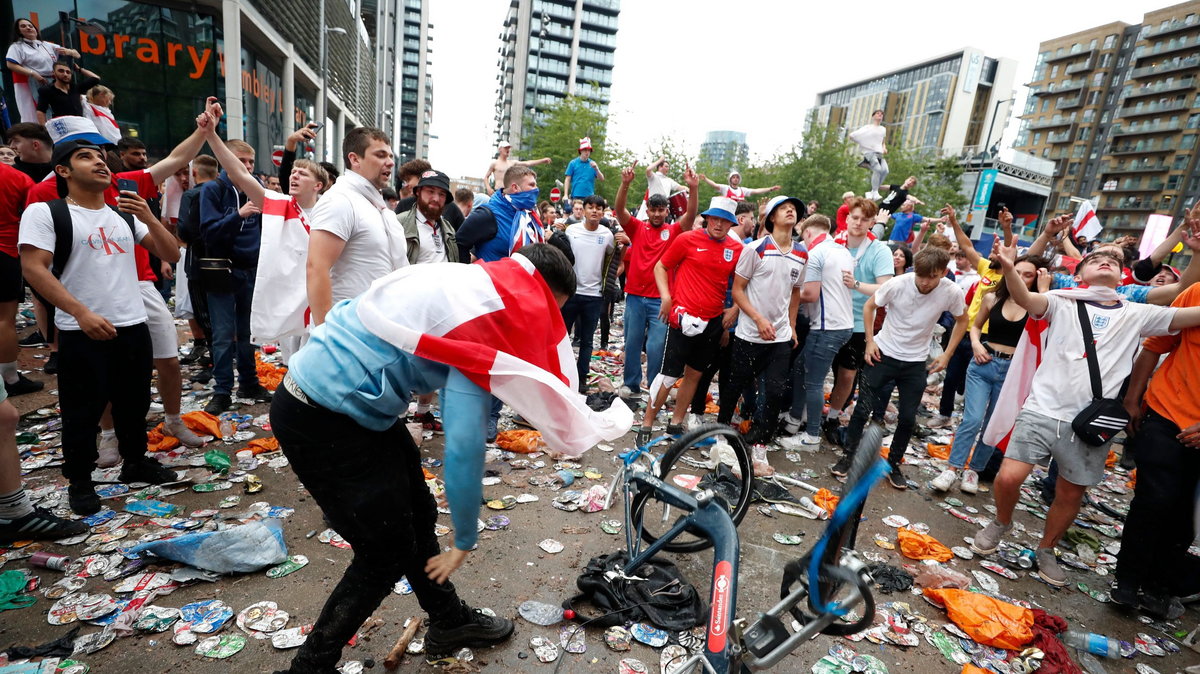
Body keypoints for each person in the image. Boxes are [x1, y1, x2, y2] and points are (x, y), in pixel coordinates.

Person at [270, 242, 630, 670]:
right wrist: (463, 538)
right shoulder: (483, 320)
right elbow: (462, 447)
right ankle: (311, 665)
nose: (539, 326)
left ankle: (448, 619)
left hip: (361, 408)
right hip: (321, 415)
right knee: (383, 552)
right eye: (546, 313)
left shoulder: (474, 283)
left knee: (418, 512)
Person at [971, 240, 1200, 587]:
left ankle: (1046, 549)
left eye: (1114, 260)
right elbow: (1026, 299)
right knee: (1007, 478)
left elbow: (1188, 302)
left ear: (1123, 275)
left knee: (1069, 494)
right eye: (1097, 258)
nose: (1106, 261)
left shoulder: (1137, 312)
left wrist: (1196, 253)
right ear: (1079, 273)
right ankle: (1002, 521)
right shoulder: (1060, 303)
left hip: (1091, 422)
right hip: (1041, 409)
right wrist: (1006, 265)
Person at [19, 139, 182, 515]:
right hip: (81, 330)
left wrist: (150, 215)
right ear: (62, 170)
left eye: (101, 157)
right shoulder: (47, 212)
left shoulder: (125, 216)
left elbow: (171, 253)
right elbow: (33, 268)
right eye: (85, 157)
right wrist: (81, 313)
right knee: (81, 410)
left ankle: (135, 462)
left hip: (132, 324)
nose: (99, 162)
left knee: (134, 402)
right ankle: (80, 479)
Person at [835, 247, 967, 488]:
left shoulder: (952, 291)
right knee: (862, 409)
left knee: (907, 418)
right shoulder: (898, 283)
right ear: (914, 270)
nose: (926, 283)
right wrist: (870, 341)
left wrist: (947, 354)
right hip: (883, 354)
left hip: (915, 362)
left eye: (933, 277)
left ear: (944, 273)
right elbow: (869, 307)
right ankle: (848, 457)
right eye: (921, 276)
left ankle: (893, 465)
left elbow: (962, 320)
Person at [1115, 279, 1200, 619]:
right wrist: (1132, 399)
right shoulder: (1195, 294)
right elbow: (1154, 345)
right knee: (1153, 500)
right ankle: (1126, 581)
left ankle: (1158, 587)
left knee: (1185, 515)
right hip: (1166, 412)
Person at [931, 256, 1049, 494]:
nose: (1021, 278)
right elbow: (974, 325)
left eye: (1029, 274)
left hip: (1014, 372)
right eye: (1017, 272)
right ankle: (952, 469)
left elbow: (1044, 332)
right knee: (972, 420)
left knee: (993, 426)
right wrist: (976, 343)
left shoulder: (1040, 306)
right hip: (983, 363)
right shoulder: (992, 297)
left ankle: (974, 470)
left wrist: (1045, 292)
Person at [634, 197, 744, 446]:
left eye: (725, 221)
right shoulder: (686, 239)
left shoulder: (737, 250)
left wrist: (735, 308)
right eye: (715, 218)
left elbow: (743, 285)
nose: (718, 224)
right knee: (668, 375)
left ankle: (676, 422)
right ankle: (647, 422)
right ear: (707, 218)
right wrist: (666, 296)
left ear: (731, 224)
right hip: (681, 317)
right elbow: (661, 267)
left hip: (713, 320)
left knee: (694, 374)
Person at [718, 195, 807, 445]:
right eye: (784, 209)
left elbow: (796, 291)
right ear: (771, 218)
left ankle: (759, 441)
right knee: (735, 385)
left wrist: (791, 326)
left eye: (794, 210)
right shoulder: (755, 248)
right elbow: (738, 290)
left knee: (775, 391)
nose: (790, 212)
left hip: (779, 336)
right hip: (750, 334)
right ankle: (721, 431)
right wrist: (757, 319)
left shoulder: (801, 253)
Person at [612, 161, 699, 405]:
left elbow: (690, 215)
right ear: (648, 210)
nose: (658, 213)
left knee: (656, 347)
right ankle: (630, 385)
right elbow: (619, 210)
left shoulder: (673, 231)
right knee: (631, 344)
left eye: (662, 210)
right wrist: (625, 184)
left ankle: (654, 387)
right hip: (635, 298)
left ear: (667, 211)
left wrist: (693, 189)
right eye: (654, 209)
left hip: (661, 300)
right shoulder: (637, 228)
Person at [925, 204, 1014, 429]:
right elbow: (965, 245)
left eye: (998, 250)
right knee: (952, 375)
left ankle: (971, 423)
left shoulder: (1013, 277)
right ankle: (945, 415)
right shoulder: (987, 269)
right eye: (993, 249)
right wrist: (954, 221)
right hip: (966, 331)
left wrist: (1007, 230)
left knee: (973, 383)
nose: (993, 252)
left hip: (988, 339)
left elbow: (1010, 248)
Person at [200, 138, 270, 414]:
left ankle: (249, 383)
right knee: (222, 334)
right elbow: (208, 232)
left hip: (251, 270)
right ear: (225, 160)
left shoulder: (258, 189)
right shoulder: (212, 189)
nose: (248, 167)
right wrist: (238, 215)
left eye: (251, 162)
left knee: (247, 332)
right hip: (222, 269)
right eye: (242, 161)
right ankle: (222, 390)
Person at [307, 127, 400, 334]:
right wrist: (327, 336)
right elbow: (316, 268)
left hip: (376, 328)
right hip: (345, 333)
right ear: (355, 159)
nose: (390, 162)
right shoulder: (340, 200)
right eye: (380, 155)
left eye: (390, 156)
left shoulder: (377, 207)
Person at [822, 197, 895, 445]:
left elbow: (886, 288)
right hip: (827, 320)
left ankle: (832, 418)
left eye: (865, 220)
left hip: (857, 324)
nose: (858, 223)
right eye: (854, 217)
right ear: (847, 218)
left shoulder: (879, 250)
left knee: (846, 375)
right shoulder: (834, 244)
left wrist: (857, 285)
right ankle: (806, 415)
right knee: (816, 372)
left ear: (872, 222)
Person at [781, 214, 855, 446]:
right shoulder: (842, 250)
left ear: (809, 233)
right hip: (842, 324)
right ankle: (794, 418)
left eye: (804, 236)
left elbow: (810, 294)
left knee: (813, 382)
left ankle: (811, 436)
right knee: (800, 368)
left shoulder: (816, 253)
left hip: (826, 326)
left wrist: (782, 295)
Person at [562, 194, 623, 390]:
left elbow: (616, 258)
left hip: (594, 296)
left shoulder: (607, 235)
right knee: (562, 338)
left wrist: (626, 243)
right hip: (570, 293)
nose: (594, 211)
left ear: (603, 211)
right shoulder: (571, 231)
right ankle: (561, 375)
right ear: (584, 210)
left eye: (599, 207)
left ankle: (581, 379)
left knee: (587, 341)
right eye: (591, 207)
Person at [0, 161, 39, 397]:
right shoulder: (15, 177)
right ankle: (10, 378)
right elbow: (36, 211)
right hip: (4, 250)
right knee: (4, 319)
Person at [6, 18, 79, 124]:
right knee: (45, 108)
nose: (28, 27)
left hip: (55, 80)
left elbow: (77, 54)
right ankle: (48, 132)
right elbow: (10, 64)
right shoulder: (17, 47)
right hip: (38, 80)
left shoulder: (47, 45)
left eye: (30, 26)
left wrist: (69, 51)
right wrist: (33, 74)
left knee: (62, 105)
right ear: (18, 31)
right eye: (23, 26)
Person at [400, 169, 458, 265]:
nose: (436, 198)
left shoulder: (449, 229)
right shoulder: (400, 224)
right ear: (418, 191)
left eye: (441, 194)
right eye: (430, 191)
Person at [36, 61, 100, 123]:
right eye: (61, 71)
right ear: (53, 73)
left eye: (68, 72)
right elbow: (41, 111)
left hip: (80, 124)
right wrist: (44, 129)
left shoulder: (76, 88)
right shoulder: (47, 90)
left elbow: (96, 78)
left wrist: (79, 69)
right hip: (63, 125)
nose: (65, 74)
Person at [484, 140, 550, 195]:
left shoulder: (512, 163)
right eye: (505, 148)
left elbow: (527, 163)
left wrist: (543, 160)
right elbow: (486, 177)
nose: (508, 150)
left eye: (508, 148)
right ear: (500, 149)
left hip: (510, 192)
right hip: (498, 192)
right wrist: (488, 188)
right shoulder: (495, 163)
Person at [849, 109, 888, 199]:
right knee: (877, 169)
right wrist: (859, 141)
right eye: (878, 113)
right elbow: (854, 135)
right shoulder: (868, 127)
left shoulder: (883, 129)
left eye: (882, 114)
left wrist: (884, 148)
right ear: (873, 116)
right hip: (869, 152)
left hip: (879, 153)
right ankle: (875, 191)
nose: (880, 115)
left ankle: (872, 192)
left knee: (885, 170)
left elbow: (883, 141)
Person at [700, 170, 780, 202]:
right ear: (730, 179)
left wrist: (770, 189)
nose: (735, 179)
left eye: (737, 177)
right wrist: (706, 179)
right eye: (733, 177)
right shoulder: (726, 188)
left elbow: (756, 191)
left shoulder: (742, 190)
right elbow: (714, 185)